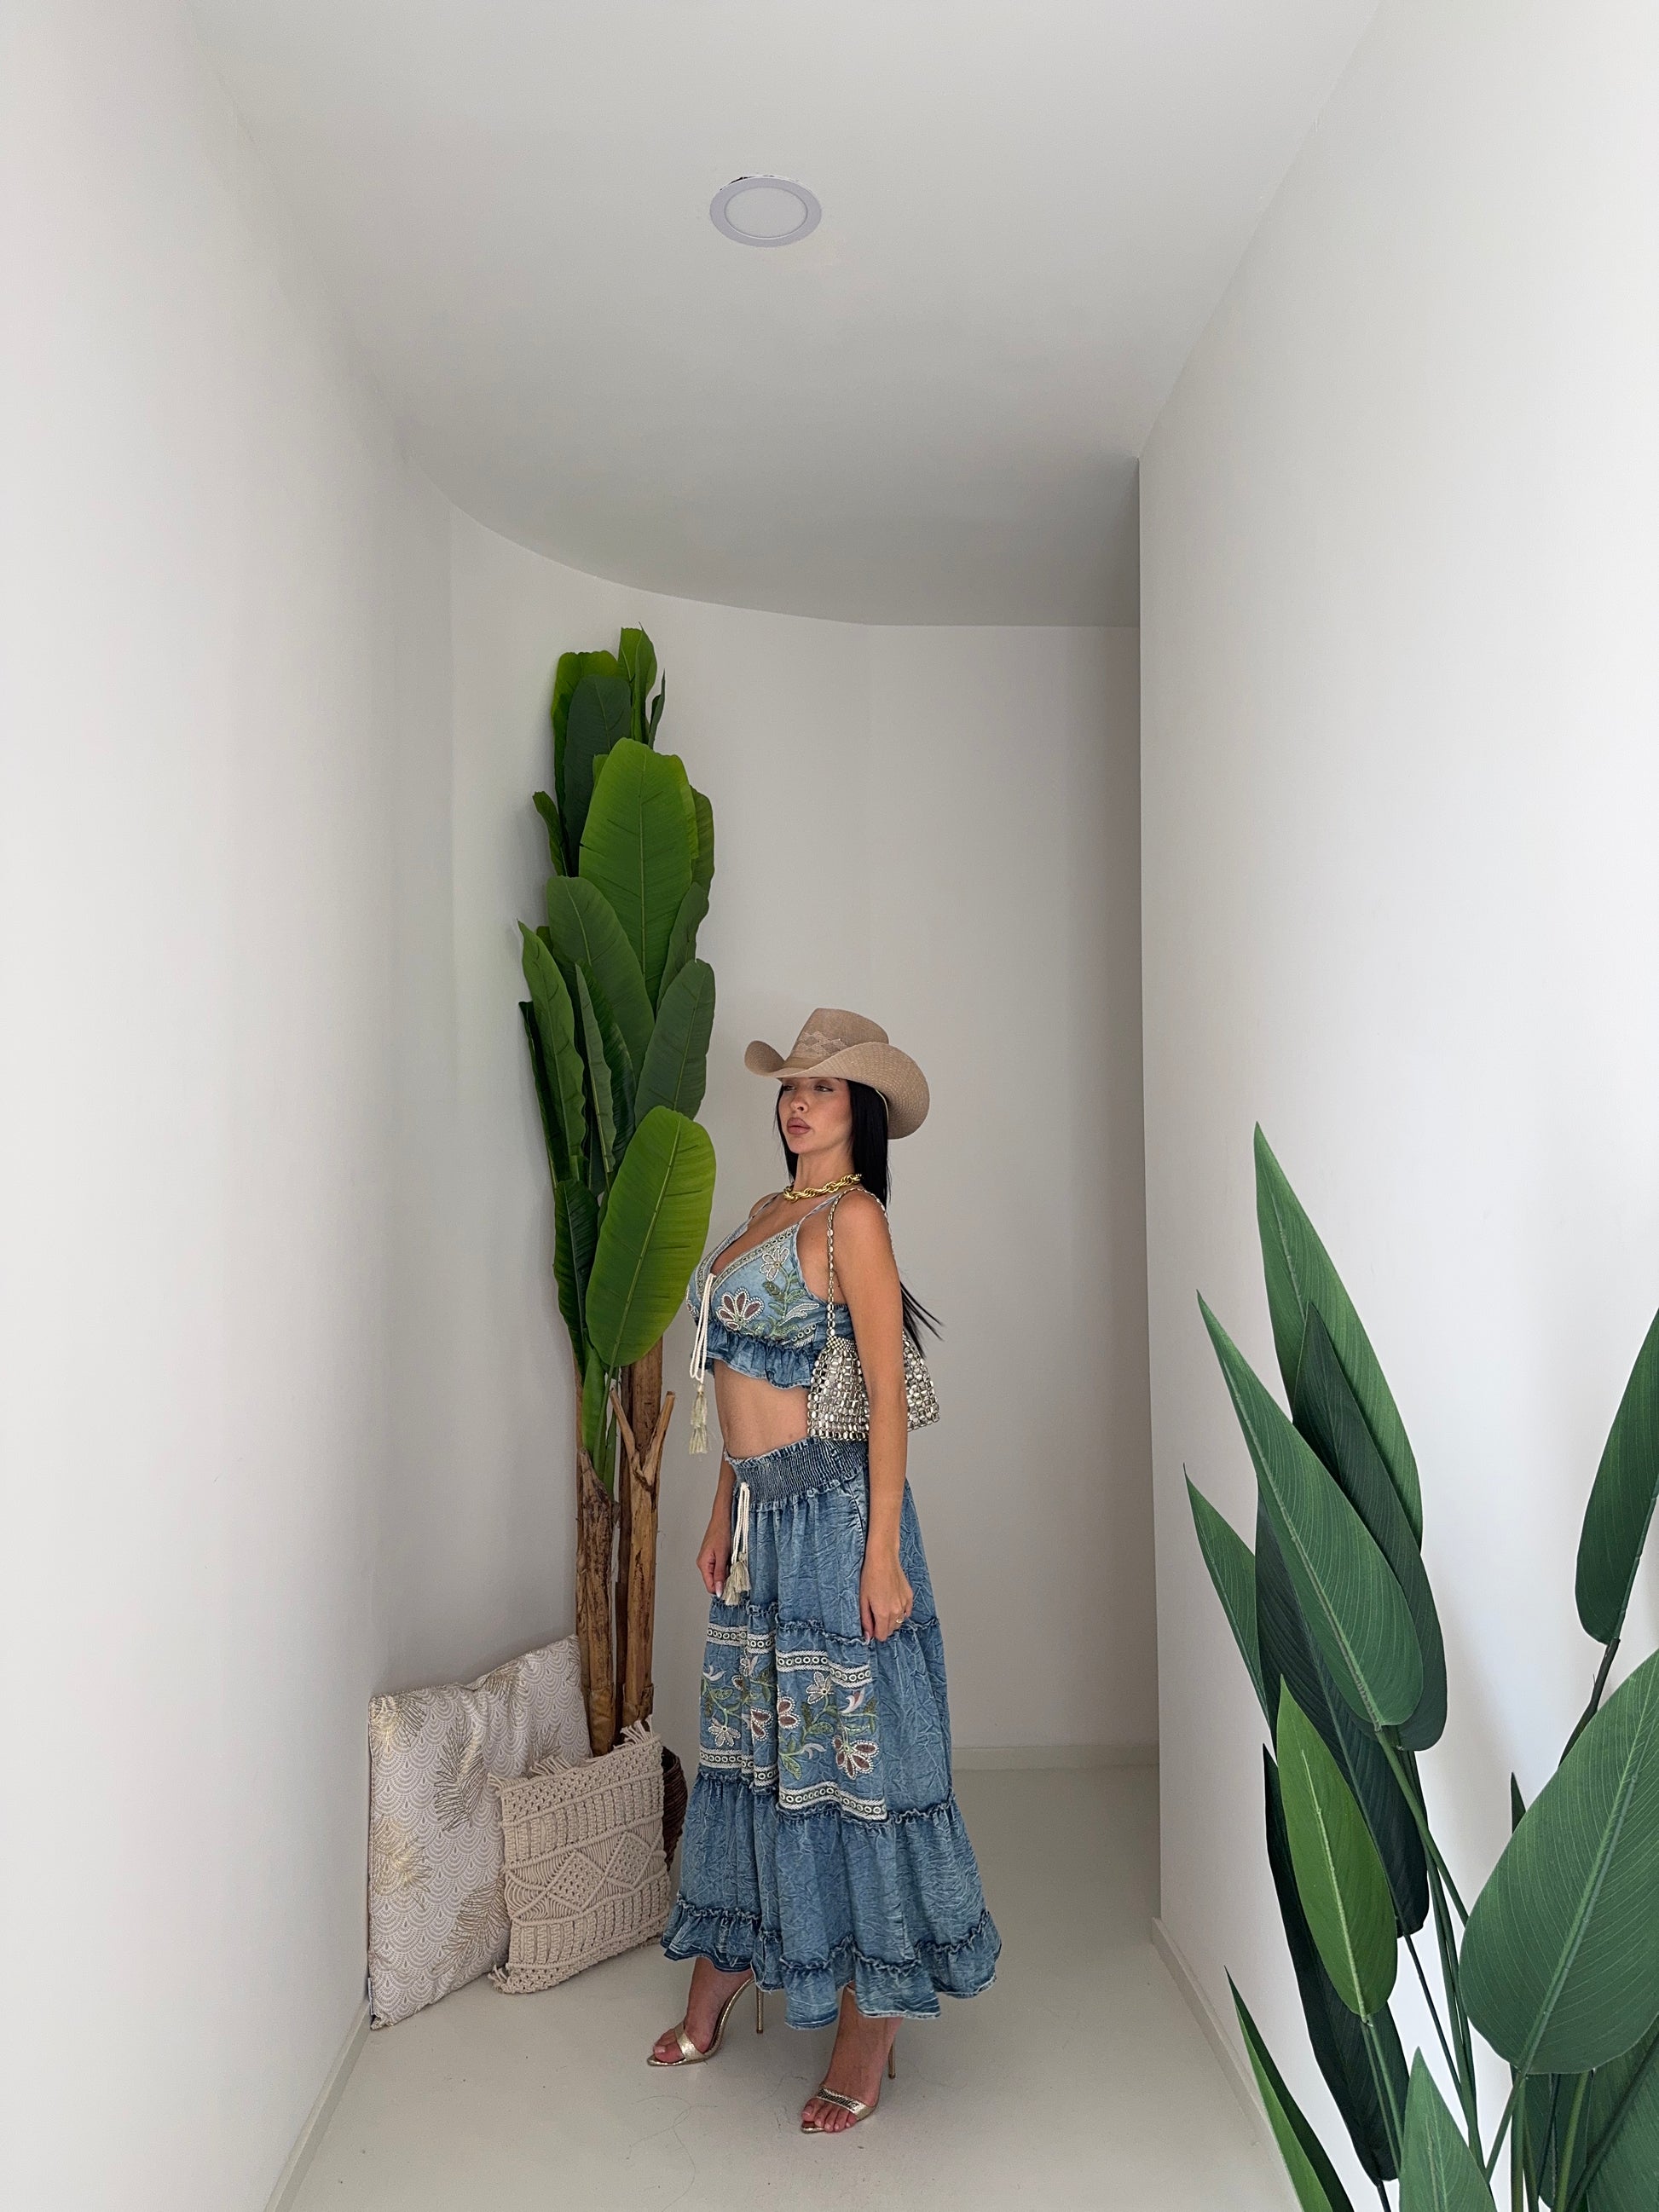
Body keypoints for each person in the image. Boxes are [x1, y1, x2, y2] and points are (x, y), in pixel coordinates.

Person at [650, 1008, 1000, 2134]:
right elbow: (733, 1381)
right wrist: (723, 1508)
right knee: (754, 1750)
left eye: (824, 1089)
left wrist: (882, 1552)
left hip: (834, 1521)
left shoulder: (854, 1219)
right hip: (762, 1522)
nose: (799, 1104)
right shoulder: (766, 1214)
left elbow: (886, 1396)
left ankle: (871, 2016)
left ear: (862, 1113)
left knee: (850, 1765)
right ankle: (736, 1956)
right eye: (791, 1088)